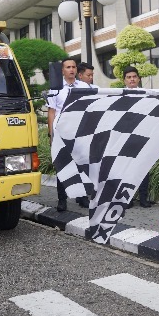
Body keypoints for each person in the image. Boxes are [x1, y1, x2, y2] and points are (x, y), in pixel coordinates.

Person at [47, 58, 90, 211]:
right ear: (62, 71)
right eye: (68, 67)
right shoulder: (55, 89)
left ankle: (83, 197)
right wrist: (51, 134)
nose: (71, 69)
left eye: (73, 67)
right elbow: (51, 112)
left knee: (82, 165)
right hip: (61, 133)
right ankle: (62, 200)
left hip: (80, 132)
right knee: (62, 166)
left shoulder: (84, 86)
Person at [123, 65, 152, 208]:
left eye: (134, 77)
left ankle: (143, 198)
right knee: (127, 169)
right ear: (124, 80)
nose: (132, 79)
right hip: (126, 137)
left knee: (143, 168)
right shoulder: (120, 96)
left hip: (143, 135)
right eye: (129, 77)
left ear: (139, 79)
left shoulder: (147, 94)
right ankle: (127, 198)